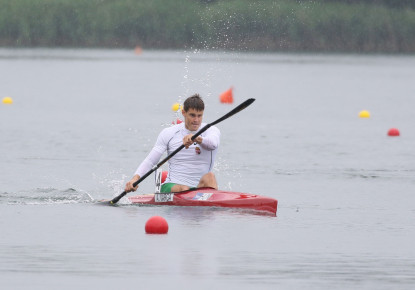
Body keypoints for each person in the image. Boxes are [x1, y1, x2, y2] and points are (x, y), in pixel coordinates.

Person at [125, 94, 220, 193]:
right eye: (192, 115)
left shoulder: (211, 130)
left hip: (199, 188)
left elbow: (213, 144)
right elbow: (150, 161)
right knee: (184, 188)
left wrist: (196, 139)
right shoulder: (169, 133)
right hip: (172, 185)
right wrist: (135, 179)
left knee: (210, 177)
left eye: (199, 115)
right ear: (184, 112)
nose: (196, 120)